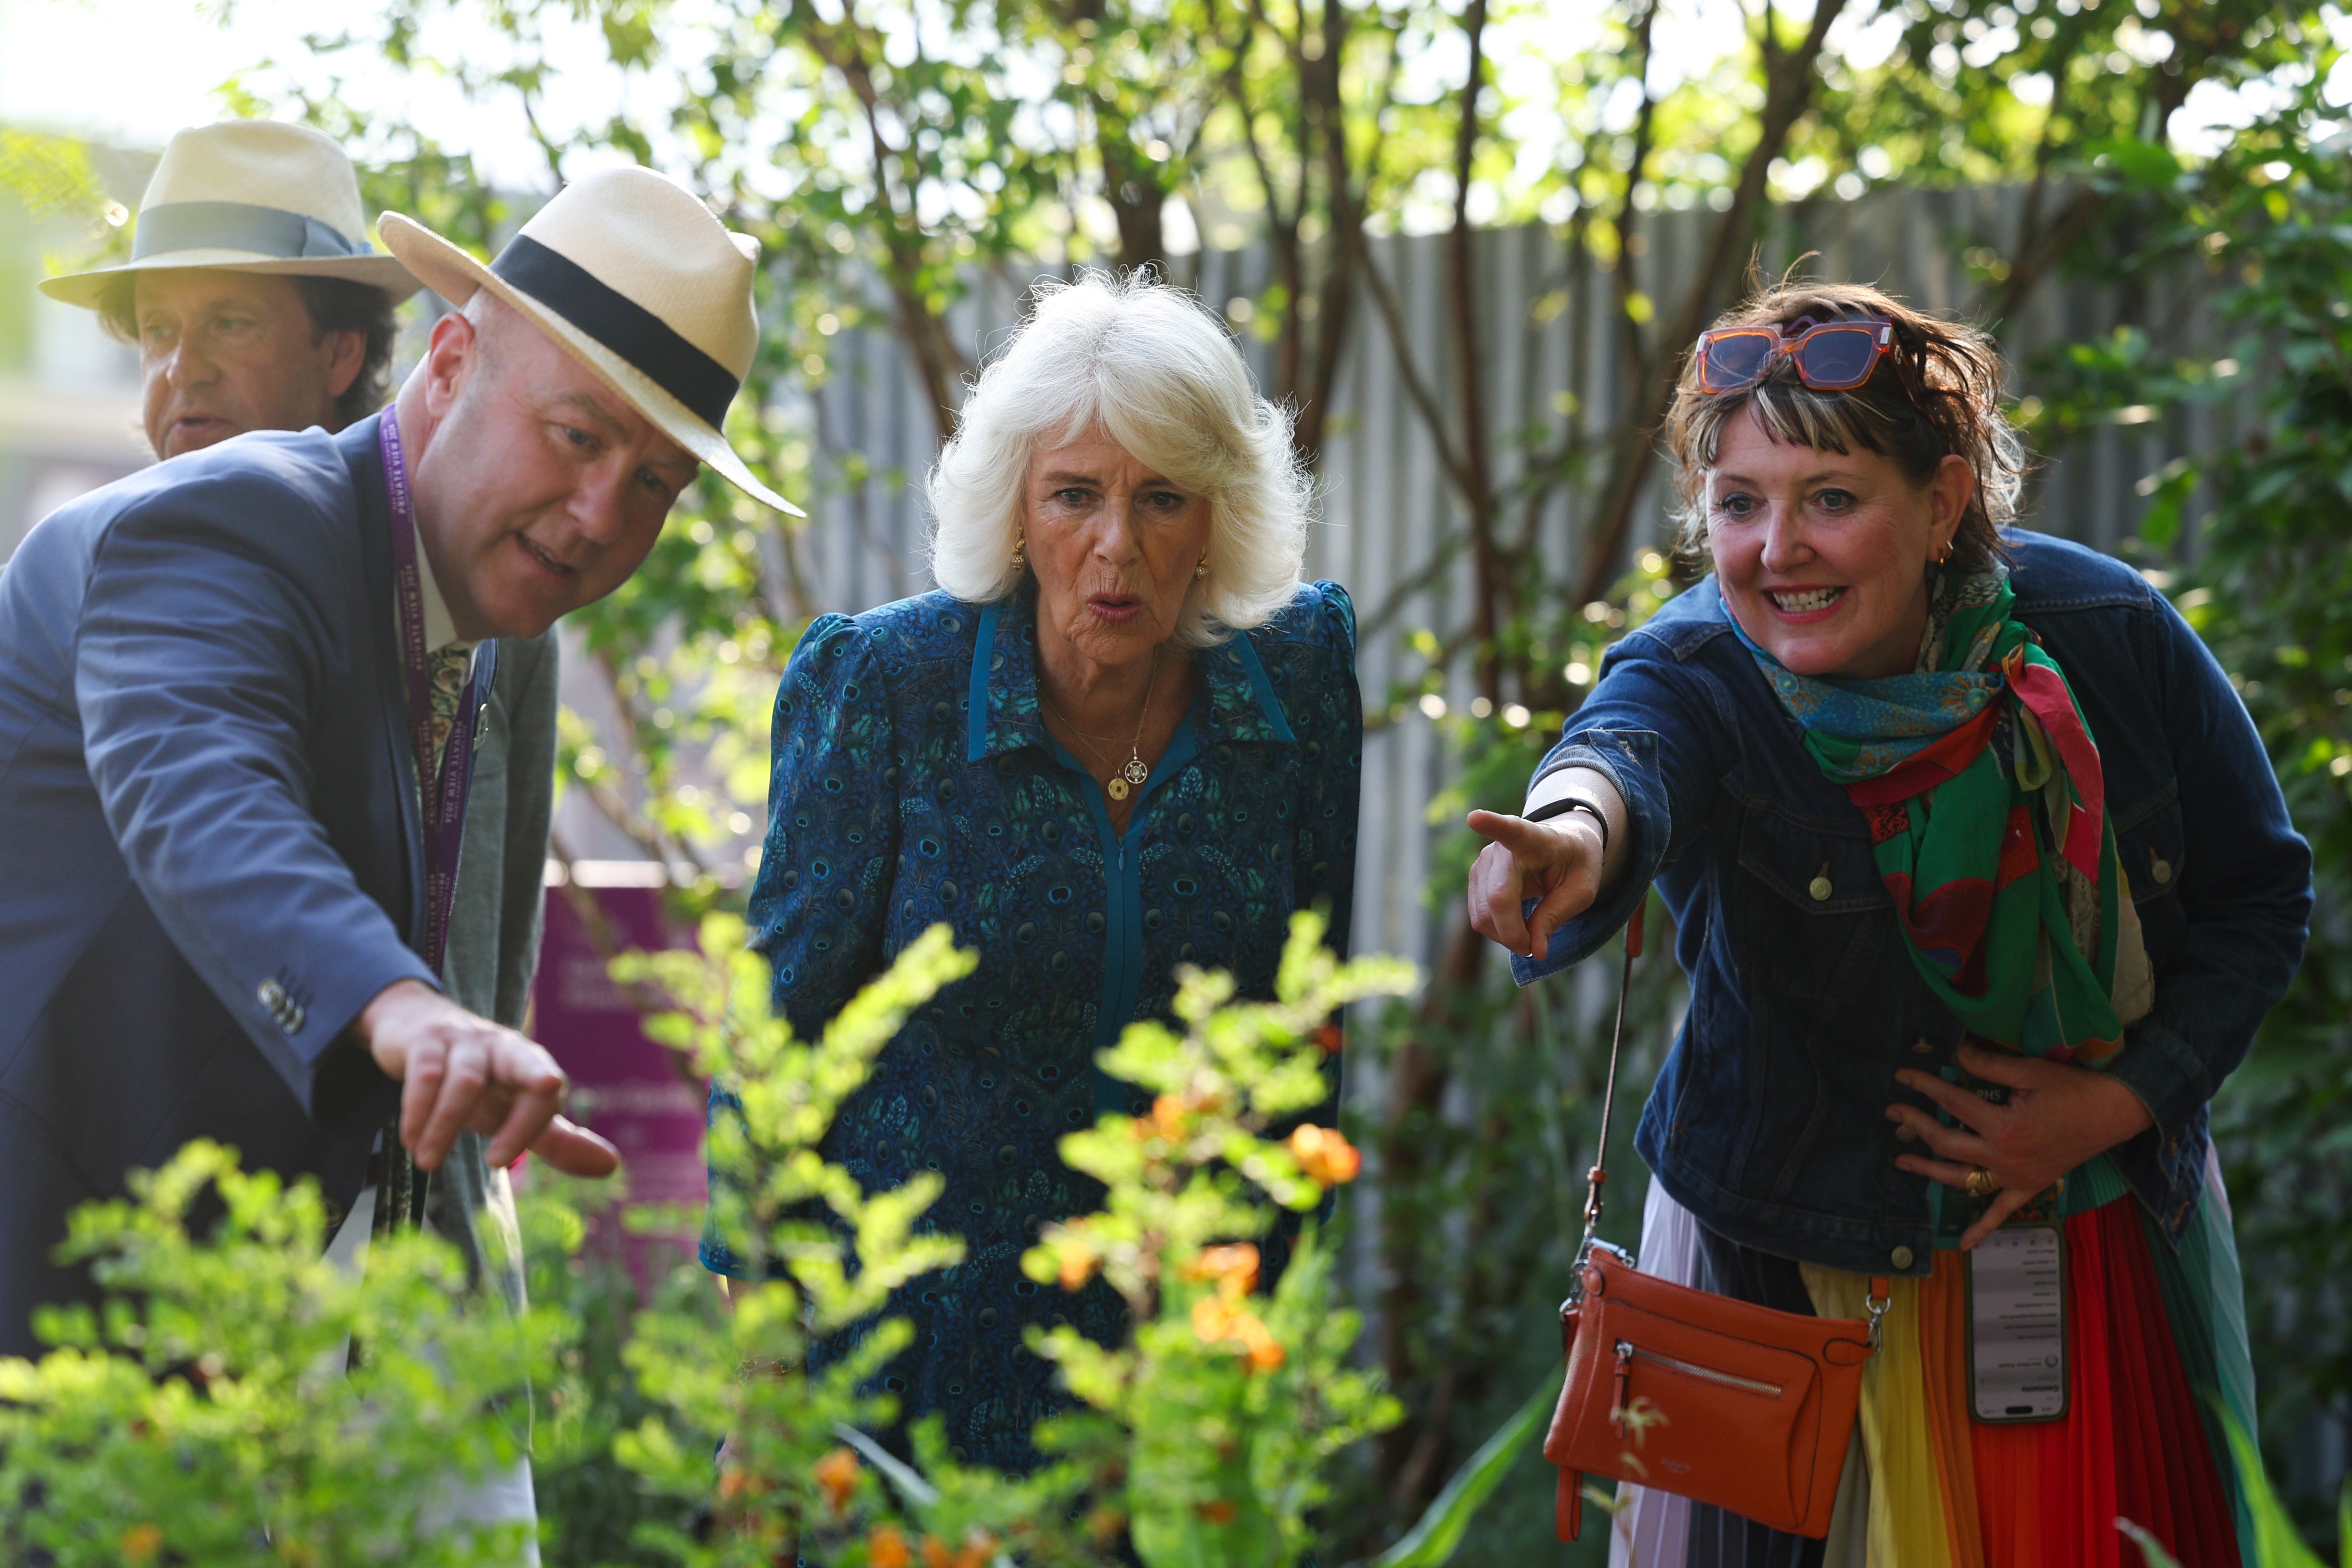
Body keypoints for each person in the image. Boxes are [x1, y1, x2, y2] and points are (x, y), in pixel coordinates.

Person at [1466, 283, 2308, 1568]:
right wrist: (1574, 837)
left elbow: (2259, 898)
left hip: (2088, 1257)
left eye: (1832, 498)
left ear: (1946, 501)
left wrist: (2119, 1102)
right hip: (1777, 1287)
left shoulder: (2107, 635)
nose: (1774, 549)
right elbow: (1621, 753)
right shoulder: (1696, 667)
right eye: (1740, 502)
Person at [0, 163, 795, 1399]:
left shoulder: (468, 620)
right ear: (447, 362)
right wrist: (399, 1003)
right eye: (578, 436)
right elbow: (206, 794)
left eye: (654, 483)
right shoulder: (228, 525)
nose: (597, 514)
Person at [702, 272, 1360, 1470]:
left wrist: (1281, 1332)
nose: (1116, 546)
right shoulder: (889, 690)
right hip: (914, 1367)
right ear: (1016, 511)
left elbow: (1301, 1036)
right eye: (1075, 496)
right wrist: (763, 1395)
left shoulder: (1293, 685)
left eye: (1162, 498)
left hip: (1181, 1370)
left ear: (1216, 519)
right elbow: (770, 1044)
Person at [40, 117, 563, 1341]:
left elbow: (492, 935)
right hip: (166, 1257)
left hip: (432, 1265)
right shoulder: (106, 562)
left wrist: (473, 1185)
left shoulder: (502, 603)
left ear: (343, 351)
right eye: (157, 334)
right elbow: (199, 806)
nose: (182, 373)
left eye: (227, 323)